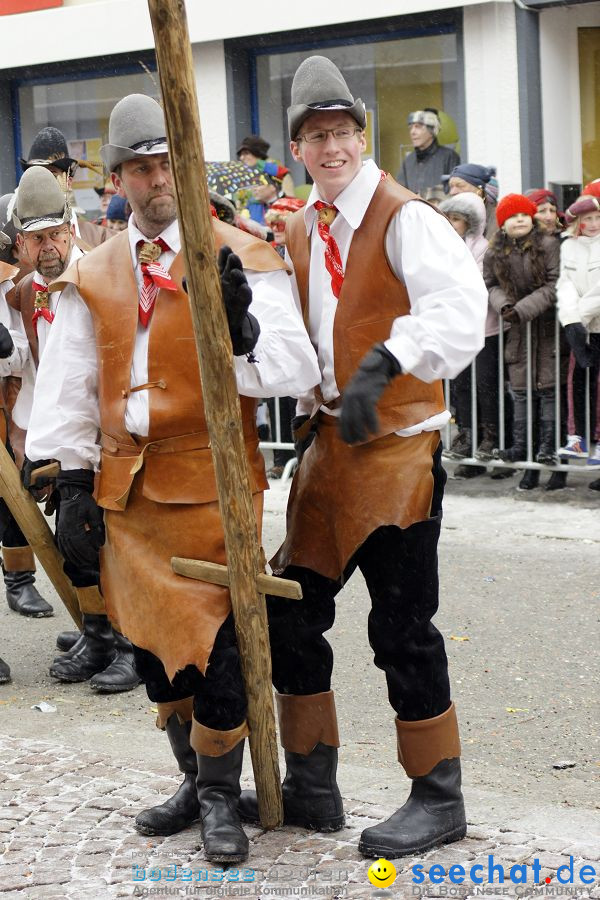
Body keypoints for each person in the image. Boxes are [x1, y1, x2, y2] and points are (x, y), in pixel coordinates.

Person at [25, 94, 320, 863]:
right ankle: (194, 777)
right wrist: (73, 482)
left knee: (217, 647)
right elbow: (70, 380)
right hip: (128, 492)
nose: (156, 181)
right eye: (140, 169)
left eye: (166, 165)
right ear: (117, 179)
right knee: (155, 648)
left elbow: (295, 367)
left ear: (182, 165)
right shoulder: (94, 271)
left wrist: (241, 333)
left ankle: (223, 795)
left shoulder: (239, 250)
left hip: (213, 485)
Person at [237, 56, 487, 859]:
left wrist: (390, 357)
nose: (331, 146)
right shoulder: (299, 229)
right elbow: (297, 356)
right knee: (290, 616)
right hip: (327, 455)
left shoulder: (405, 215)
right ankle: (313, 785)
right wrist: (248, 336)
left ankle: (437, 796)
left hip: (400, 456)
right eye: (315, 135)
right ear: (298, 148)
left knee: (403, 628)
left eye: (342, 131)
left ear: (361, 136)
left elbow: (460, 310)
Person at [1, 166, 140, 692]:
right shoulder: (27, 293)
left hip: (108, 439)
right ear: (21, 244)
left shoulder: (98, 279)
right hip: (63, 440)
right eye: (37, 239)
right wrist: (36, 443)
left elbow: (104, 372)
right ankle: (99, 633)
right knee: (76, 544)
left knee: (106, 544)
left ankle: (129, 642)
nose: (50, 247)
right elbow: (43, 374)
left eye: (57, 234)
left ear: (72, 228)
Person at [486, 194, 560, 491]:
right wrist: (505, 307)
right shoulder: (495, 252)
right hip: (517, 327)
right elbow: (490, 283)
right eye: (512, 216)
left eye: (524, 215)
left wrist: (523, 308)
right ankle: (523, 452)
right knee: (521, 392)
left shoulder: (548, 245)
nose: (519, 220)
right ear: (502, 223)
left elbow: (553, 284)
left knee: (548, 390)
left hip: (545, 326)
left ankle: (549, 451)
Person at [439, 192, 502, 479]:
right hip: (455, 329)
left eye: (457, 219)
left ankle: (490, 438)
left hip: (484, 329)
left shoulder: (483, 248)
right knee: (461, 386)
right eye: (449, 218)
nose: (451, 224)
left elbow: (473, 282)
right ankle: (466, 436)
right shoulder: (441, 247)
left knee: (485, 386)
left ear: (471, 223)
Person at [556, 195, 600, 473]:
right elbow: (565, 284)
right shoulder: (568, 247)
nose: (593, 224)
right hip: (580, 327)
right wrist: (571, 320)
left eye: (597, 218)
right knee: (577, 381)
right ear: (577, 222)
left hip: (594, 323)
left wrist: (579, 315)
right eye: (587, 219)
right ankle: (578, 437)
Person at [19, 126, 109, 251]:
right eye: (35, 172)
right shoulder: (15, 241)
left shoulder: (101, 239)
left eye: (52, 174)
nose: (43, 181)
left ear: (69, 182)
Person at [397, 108, 460, 197]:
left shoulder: (449, 156)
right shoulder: (408, 161)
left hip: (440, 210)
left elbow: (454, 191)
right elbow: (400, 193)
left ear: (432, 131)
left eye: (418, 127)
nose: (412, 132)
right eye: (410, 128)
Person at [236, 135, 295, 225]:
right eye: (241, 154)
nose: (241, 158)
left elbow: (290, 199)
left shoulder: (272, 168)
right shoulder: (244, 174)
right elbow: (240, 203)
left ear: (257, 153)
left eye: (246, 153)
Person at [443, 163, 498, 239]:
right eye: (451, 187)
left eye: (460, 186)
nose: (452, 192)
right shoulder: (447, 216)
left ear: (480, 191)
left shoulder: (497, 219)